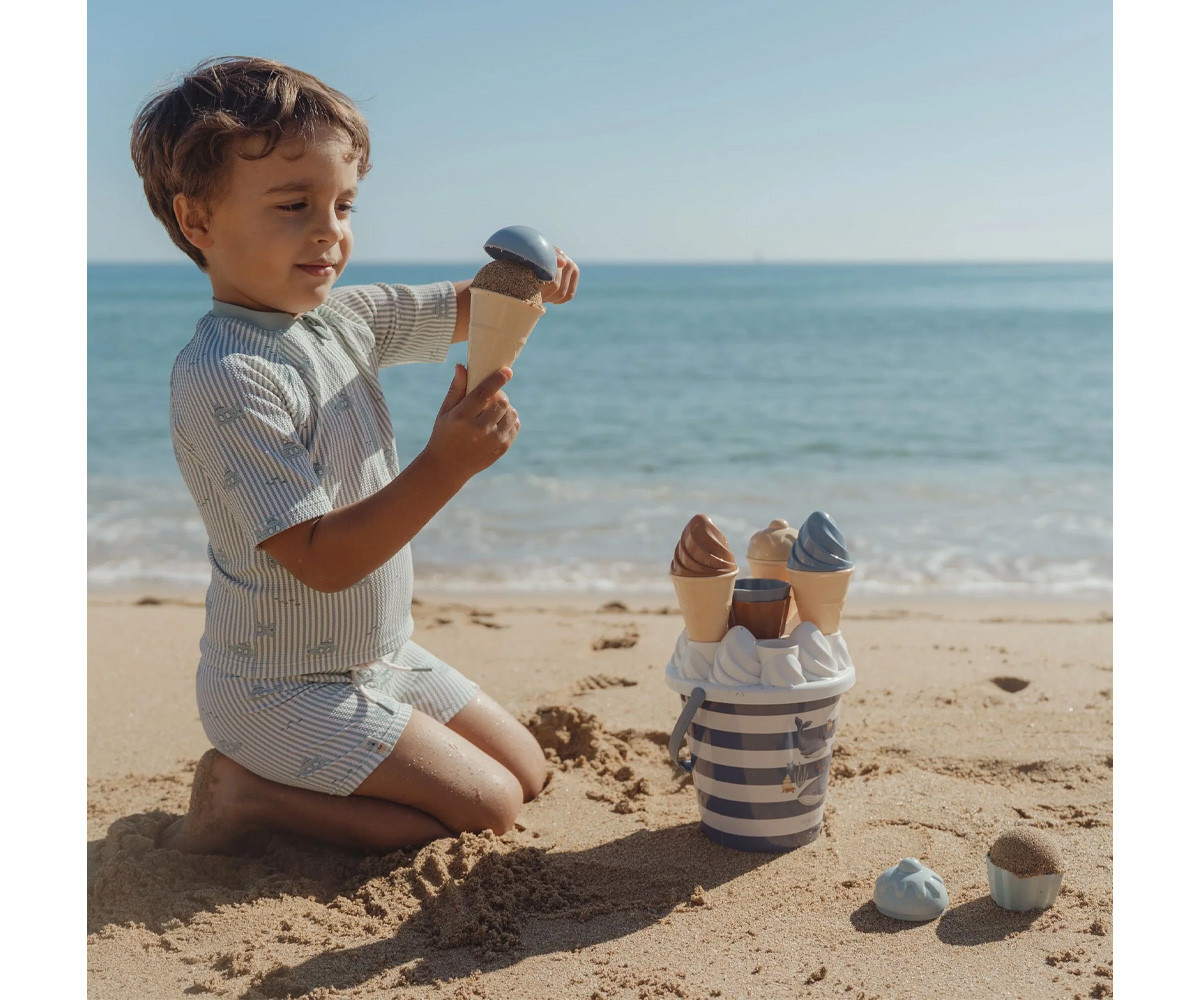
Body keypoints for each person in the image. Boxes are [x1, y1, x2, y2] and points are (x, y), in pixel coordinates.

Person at [129, 56, 579, 853]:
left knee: (528, 772)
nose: (329, 230)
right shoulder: (226, 375)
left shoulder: (347, 319)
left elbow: (475, 307)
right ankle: (244, 798)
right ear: (197, 221)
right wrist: (446, 465)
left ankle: (297, 782)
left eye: (344, 204)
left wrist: (529, 280)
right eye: (294, 205)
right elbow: (321, 560)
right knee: (492, 810)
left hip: (377, 654)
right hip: (281, 689)